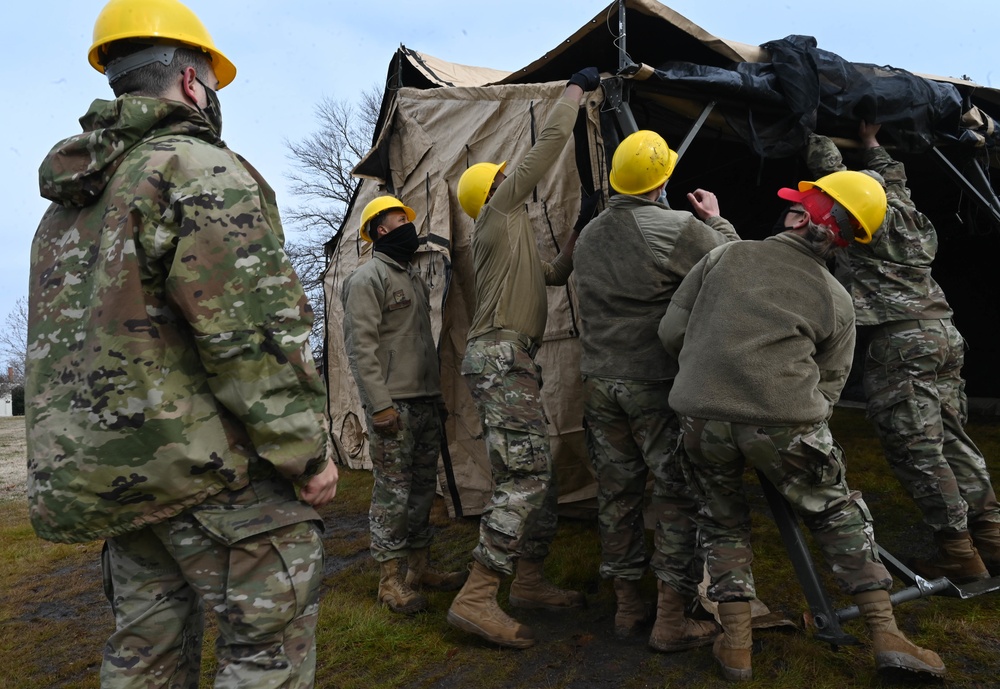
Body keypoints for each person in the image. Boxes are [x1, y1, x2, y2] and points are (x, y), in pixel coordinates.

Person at [25, 1, 339, 687]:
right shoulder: (199, 169)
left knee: (143, 662)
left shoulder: (68, 205)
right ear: (195, 83)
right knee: (265, 656)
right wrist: (306, 451)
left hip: (126, 488)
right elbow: (251, 331)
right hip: (212, 477)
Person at [659, 174, 945, 681]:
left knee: (722, 523)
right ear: (846, 240)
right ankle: (886, 635)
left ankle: (738, 647)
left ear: (797, 216)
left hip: (702, 417)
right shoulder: (837, 298)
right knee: (837, 514)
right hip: (787, 421)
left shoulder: (723, 257)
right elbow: (832, 384)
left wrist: (714, 374)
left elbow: (672, 331)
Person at [446, 67, 601, 649]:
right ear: (493, 190)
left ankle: (529, 579)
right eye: (508, 180)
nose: (517, 182)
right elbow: (551, 145)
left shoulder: (509, 241)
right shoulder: (498, 213)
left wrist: (576, 234)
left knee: (540, 478)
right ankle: (477, 595)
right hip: (502, 357)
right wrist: (573, 93)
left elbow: (554, 275)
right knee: (525, 479)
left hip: (511, 359)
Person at [804, 123, 1000, 583]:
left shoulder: (860, 226)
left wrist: (813, 130)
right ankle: (991, 535)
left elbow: (834, 179)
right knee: (952, 437)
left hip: (900, 342)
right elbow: (893, 180)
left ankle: (957, 550)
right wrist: (871, 141)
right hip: (942, 334)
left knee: (916, 448)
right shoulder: (908, 215)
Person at [572, 130, 738, 649]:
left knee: (617, 495)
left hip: (600, 382)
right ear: (663, 179)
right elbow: (735, 265)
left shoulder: (589, 235)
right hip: (653, 383)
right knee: (676, 493)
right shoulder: (678, 227)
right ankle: (671, 619)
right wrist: (716, 218)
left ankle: (627, 607)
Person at [342, 195, 465, 615]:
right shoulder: (366, 279)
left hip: (424, 401)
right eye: (401, 219)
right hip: (393, 406)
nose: (410, 226)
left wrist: (435, 397)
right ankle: (389, 580)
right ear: (381, 229)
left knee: (421, 490)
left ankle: (419, 568)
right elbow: (361, 349)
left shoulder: (409, 275)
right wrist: (378, 406)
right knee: (393, 493)